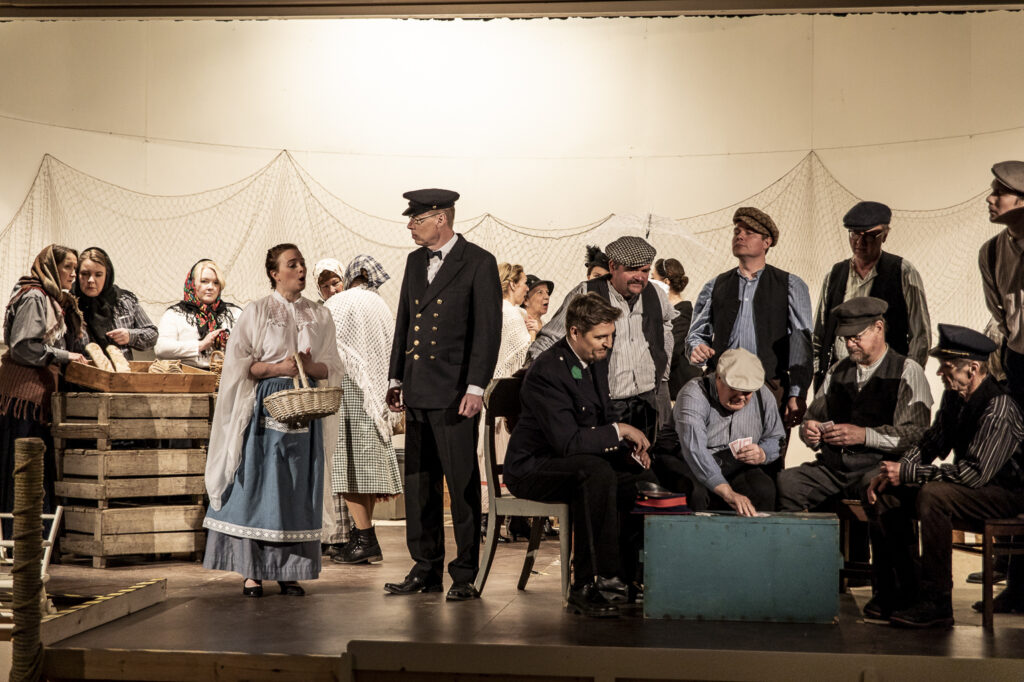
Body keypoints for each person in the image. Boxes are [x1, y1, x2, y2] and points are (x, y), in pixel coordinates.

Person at [202, 243, 344, 598]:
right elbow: (239, 364)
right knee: (260, 485)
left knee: (295, 488)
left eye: (302, 263)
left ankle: (288, 570)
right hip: (266, 408)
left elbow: (333, 365)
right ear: (274, 273)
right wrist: (277, 367)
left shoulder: (319, 315)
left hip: (305, 407)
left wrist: (310, 366)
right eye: (292, 264)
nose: (301, 270)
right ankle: (252, 571)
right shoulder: (257, 311)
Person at [503, 293, 654, 617]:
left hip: (572, 459)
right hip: (533, 466)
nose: (608, 343)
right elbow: (567, 442)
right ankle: (587, 584)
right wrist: (619, 430)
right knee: (594, 473)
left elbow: (600, 419)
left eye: (611, 335)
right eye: (600, 337)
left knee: (638, 480)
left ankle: (626, 576)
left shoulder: (594, 361)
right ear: (574, 332)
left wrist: (629, 454)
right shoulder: (548, 371)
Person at [864, 324, 1024, 627]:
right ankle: (901, 591)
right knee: (886, 493)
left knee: (934, 496)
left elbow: (974, 474)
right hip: (972, 487)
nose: (940, 373)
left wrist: (910, 472)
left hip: (1004, 494)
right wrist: (896, 470)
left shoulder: (999, 407)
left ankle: (937, 601)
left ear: (972, 369)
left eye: (947, 366)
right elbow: (931, 443)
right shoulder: (955, 398)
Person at [384, 189, 501, 602]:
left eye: (417, 220)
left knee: (462, 485)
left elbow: (487, 330)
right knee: (419, 485)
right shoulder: (415, 261)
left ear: (441, 218)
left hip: (455, 393)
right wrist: (396, 378)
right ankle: (426, 567)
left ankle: (465, 572)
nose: (410, 226)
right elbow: (405, 321)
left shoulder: (479, 262)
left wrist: (476, 387)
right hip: (418, 388)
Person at [779, 297, 932, 514]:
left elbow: (916, 435)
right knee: (788, 483)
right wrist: (809, 432)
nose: (850, 344)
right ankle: (809, 537)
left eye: (856, 337)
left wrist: (865, 435)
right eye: (845, 339)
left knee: (881, 489)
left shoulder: (907, 370)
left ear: (878, 328)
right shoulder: (837, 370)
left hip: (877, 467)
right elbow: (812, 418)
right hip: (834, 470)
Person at [686, 207, 813, 467]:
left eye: (749, 232)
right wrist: (697, 347)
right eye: (737, 231)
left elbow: (801, 344)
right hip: (722, 386)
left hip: (769, 386)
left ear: (767, 242)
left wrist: (797, 393)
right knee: (716, 457)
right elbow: (696, 334)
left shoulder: (791, 285)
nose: (740, 236)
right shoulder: (715, 285)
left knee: (767, 459)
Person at [531, 236, 676, 445]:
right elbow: (550, 339)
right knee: (605, 462)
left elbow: (666, 328)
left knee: (644, 460)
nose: (639, 277)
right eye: (632, 270)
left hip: (646, 403)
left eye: (645, 270)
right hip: (604, 406)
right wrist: (534, 377)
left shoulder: (656, 295)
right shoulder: (586, 292)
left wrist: (662, 371)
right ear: (613, 266)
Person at [0, 245, 86, 533]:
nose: (73, 274)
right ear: (50, 267)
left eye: (75, 268)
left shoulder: (53, 298)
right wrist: (64, 356)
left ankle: (34, 540)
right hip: (23, 397)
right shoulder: (35, 296)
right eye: (67, 267)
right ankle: (21, 541)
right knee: (23, 471)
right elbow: (23, 346)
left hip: (36, 397)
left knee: (33, 471)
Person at [326, 255, 402, 566]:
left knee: (348, 467)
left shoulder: (340, 302)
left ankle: (365, 538)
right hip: (376, 394)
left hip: (349, 389)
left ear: (348, 277)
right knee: (365, 469)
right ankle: (363, 537)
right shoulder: (381, 305)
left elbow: (322, 342)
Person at [813, 201, 931, 392]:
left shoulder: (903, 272)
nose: (860, 242)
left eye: (869, 235)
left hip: (885, 381)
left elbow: (920, 335)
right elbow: (819, 334)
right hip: (838, 382)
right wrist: (819, 375)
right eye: (854, 234)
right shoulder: (835, 274)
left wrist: (908, 380)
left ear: (885, 235)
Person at [660, 348, 783, 515]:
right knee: (695, 492)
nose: (741, 396)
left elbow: (776, 437)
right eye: (734, 388)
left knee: (763, 489)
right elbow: (694, 449)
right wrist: (727, 492)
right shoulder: (694, 394)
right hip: (685, 459)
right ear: (718, 377)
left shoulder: (763, 395)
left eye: (747, 392)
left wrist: (763, 453)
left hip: (732, 463)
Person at [312, 256, 353, 556]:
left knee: (345, 462)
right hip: (326, 391)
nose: (332, 290)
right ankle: (330, 533)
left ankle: (347, 534)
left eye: (335, 283)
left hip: (349, 390)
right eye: (325, 286)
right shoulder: (318, 313)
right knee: (328, 460)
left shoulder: (351, 307)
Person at [980, 160, 1024, 405]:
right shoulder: (990, 252)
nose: (990, 199)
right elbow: (998, 312)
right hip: (1018, 363)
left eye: (999, 193)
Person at [73, 247, 157, 360]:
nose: (91, 280)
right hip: (82, 370)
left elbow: (152, 334)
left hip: (122, 369)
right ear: (77, 274)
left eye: (98, 275)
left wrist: (130, 336)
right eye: (85, 274)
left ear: (107, 276)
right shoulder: (68, 303)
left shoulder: (124, 301)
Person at [155, 259, 241, 369]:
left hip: (227, 375)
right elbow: (161, 349)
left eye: (216, 283)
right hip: (189, 375)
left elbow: (252, 346)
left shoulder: (234, 313)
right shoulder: (174, 314)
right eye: (204, 281)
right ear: (192, 284)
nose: (210, 287)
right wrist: (201, 345)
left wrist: (232, 344)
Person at [652, 257, 701, 398]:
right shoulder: (664, 311)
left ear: (666, 282)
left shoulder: (683, 314)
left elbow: (670, 353)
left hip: (681, 389)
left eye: (653, 278)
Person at [522, 274, 553, 341]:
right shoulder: (518, 322)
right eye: (540, 292)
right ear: (526, 300)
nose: (547, 297)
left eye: (547, 292)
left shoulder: (547, 327)